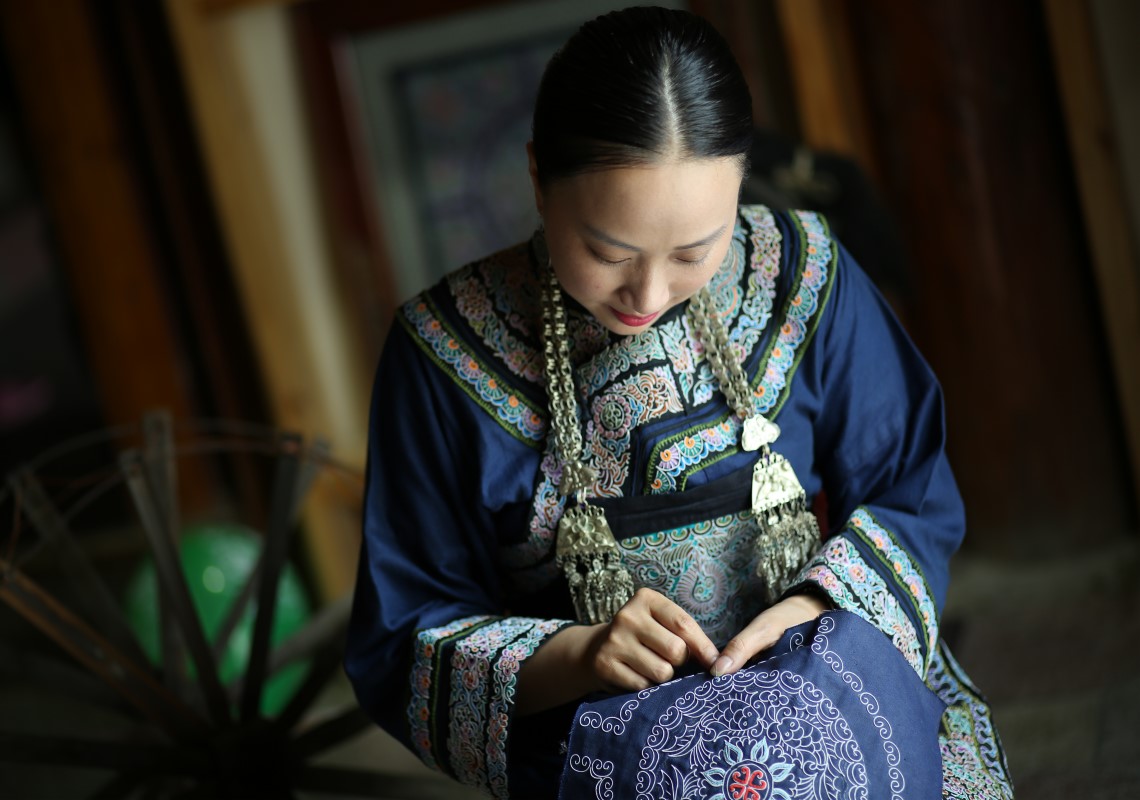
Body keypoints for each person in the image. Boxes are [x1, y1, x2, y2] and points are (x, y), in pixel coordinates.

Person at [345, 7, 1014, 799]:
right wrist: (580, 656)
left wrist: (815, 604)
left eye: (696, 251)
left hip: (834, 660)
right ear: (536, 176)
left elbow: (912, 488)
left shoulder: (800, 270)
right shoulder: (441, 353)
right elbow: (404, 634)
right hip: (602, 728)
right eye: (608, 252)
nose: (650, 294)